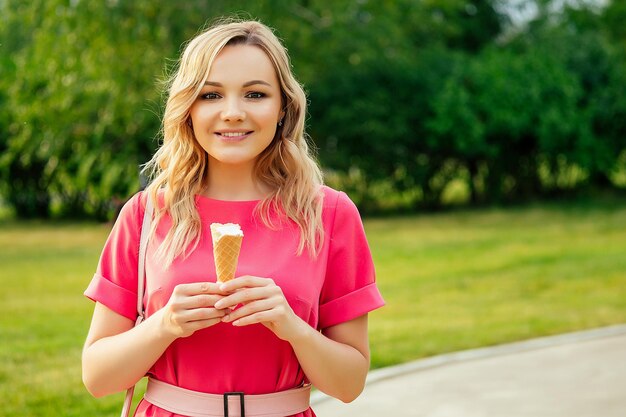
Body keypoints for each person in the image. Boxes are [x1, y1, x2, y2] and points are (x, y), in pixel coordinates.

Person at [82, 19, 384, 417]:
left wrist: (292, 328)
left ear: (283, 108)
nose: (233, 113)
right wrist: (164, 325)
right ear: (188, 109)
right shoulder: (147, 212)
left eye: (255, 94)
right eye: (211, 95)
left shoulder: (329, 214)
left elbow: (348, 385)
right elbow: (98, 378)